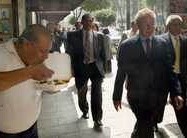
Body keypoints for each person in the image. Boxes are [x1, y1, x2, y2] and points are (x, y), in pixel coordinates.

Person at [113, 8, 183, 138]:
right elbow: (121, 72)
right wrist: (117, 95)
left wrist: (176, 93)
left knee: (144, 124)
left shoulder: (163, 44)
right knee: (146, 125)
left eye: (153, 23)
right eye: (146, 23)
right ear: (138, 24)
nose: (150, 27)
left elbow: (170, 71)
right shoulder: (127, 46)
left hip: (157, 97)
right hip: (136, 96)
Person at [0, 24, 54, 138]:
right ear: (27, 45)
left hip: (32, 128)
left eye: (48, 51)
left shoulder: (37, 58)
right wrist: (29, 72)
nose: (46, 56)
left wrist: (50, 87)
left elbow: (37, 86)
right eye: (43, 51)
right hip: (3, 134)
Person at [67, 13, 106, 129]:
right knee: (81, 93)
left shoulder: (99, 36)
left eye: (91, 21)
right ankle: (84, 109)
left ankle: (97, 119)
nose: (89, 23)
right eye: (87, 21)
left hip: (96, 68)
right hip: (81, 68)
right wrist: (71, 69)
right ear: (82, 22)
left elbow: (103, 54)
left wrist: (104, 69)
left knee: (97, 94)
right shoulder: (73, 36)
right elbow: (69, 53)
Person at [160, 15, 187, 137]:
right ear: (168, 26)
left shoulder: (185, 41)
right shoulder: (160, 41)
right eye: (173, 24)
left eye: (179, 25)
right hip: (164, 78)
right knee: (159, 105)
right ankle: (155, 121)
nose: (176, 27)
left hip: (181, 78)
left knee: (181, 105)